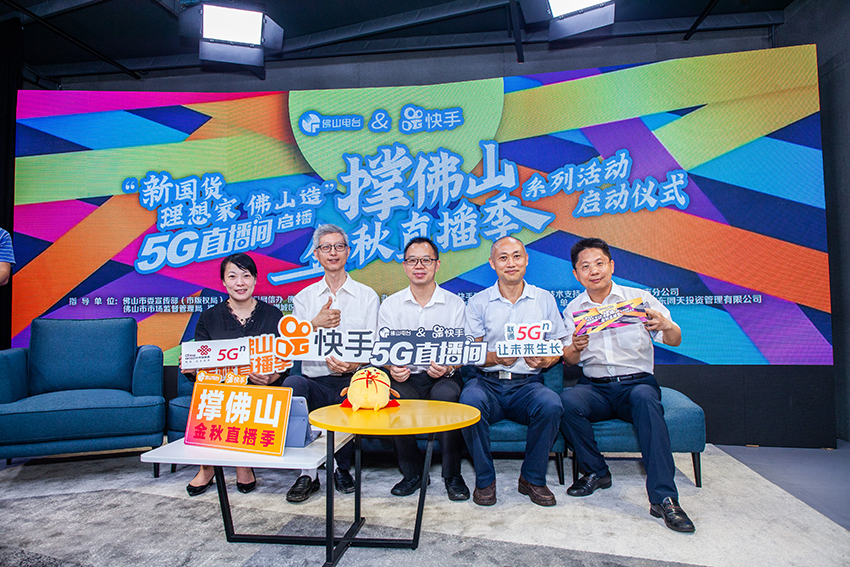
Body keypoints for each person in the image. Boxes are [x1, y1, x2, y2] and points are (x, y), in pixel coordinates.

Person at [560, 237, 694, 533]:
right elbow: (569, 359)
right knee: (566, 402)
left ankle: (664, 498)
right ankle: (596, 472)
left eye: (599, 263)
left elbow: (675, 339)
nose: (594, 271)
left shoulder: (639, 299)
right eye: (585, 266)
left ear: (611, 266)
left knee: (646, 400)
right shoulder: (573, 310)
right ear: (576, 274)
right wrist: (575, 346)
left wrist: (667, 325)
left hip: (637, 384)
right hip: (596, 387)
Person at [459, 236, 566, 507]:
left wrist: (546, 360)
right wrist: (495, 356)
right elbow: (469, 352)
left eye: (517, 256)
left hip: (526, 385)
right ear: (492, 263)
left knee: (551, 404)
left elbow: (559, 345)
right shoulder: (479, 302)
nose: (511, 263)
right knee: (469, 402)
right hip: (486, 383)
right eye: (503, 257)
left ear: (526, 260)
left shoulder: (543, 299)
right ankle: (485, 480)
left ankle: (532, 478)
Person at [282, 224, 379, 503]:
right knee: (292, 384)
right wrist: (314, 323)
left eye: (338, 246)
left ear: (348, 252)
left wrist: (353, 365)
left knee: (355, 391)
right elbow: (292, 346)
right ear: (316, 254)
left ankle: (340, 469)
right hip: (314, 380)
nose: (333, 252)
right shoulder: (304, 298)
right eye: (326, 247)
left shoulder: (367, 296)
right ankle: (307, 473)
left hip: (353, 379)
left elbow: (375, 346)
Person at [181, 253, 286, 496]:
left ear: (255, 279)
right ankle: (207, 468)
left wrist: (271, 377)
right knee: (209, 394)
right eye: (232, 276)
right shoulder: (209, 317)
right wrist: (192, 368)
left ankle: (243, 464)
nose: (240, 283)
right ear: (223, 282)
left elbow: (284, 361)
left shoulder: (273, 315)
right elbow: (202, 361)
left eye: (246, 276)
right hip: (221, 389)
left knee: (247, 394)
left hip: (259, 389)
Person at [378, 236, 469, 501]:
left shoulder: (454, 304)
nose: (419, 266)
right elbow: (381, 349)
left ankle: (452, 475)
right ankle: (413, 473)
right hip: (406, 376)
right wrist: (392, 367)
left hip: (443, 376)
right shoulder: (390, 305)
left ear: (437, 265)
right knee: (395, 399)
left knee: (447, 397)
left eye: (426, 260)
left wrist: (448, 366)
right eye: (413, 260)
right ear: (404, 266)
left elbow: (463, 350)